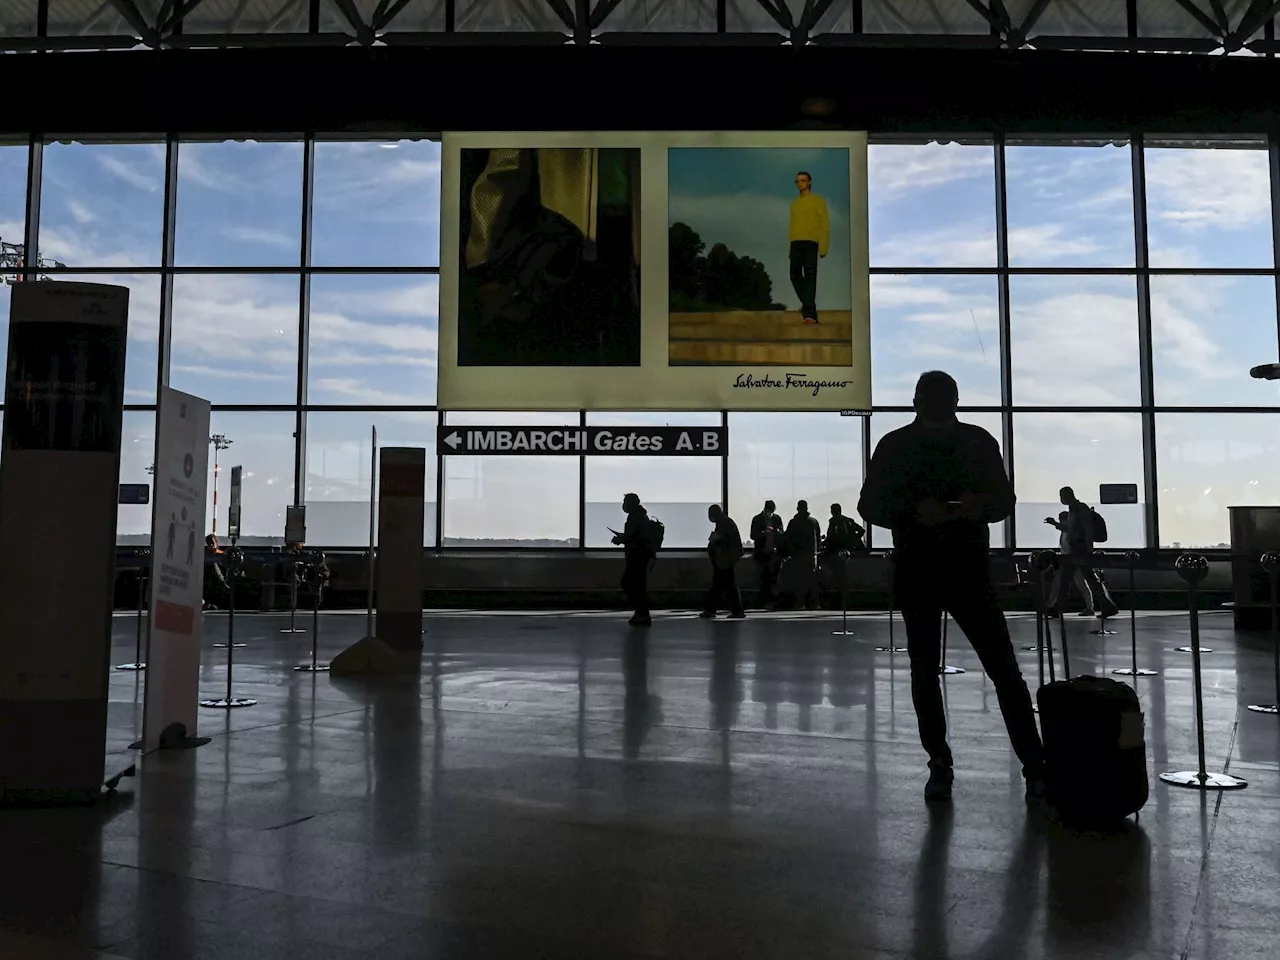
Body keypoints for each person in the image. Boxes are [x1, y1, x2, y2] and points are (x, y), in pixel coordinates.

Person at [858, 370, 1046, 805]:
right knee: (1003, 672)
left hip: (921, 568)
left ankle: (940, 765)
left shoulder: (895, 445)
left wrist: (912, 512)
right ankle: (1034, 765)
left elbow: (870, 505)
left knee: (926, 672)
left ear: (915, 401)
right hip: (966, 569)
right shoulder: (978, 442)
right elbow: (1004, 503)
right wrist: (975, 508)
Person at [1046, 487, 1116, 618]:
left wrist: (1089, 548)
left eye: (1062, 496)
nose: (1061, 499)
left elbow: (1086, 528)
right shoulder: (1073, 510)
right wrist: (1055, 524)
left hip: (1080, 549)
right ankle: (1107, 606)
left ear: (1068, 495)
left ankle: (1057, 608)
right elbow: (1072, 530)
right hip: (1076, 549)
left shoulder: (1080, 508)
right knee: (1080, 579)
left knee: (1072, 579)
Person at [788, 170, 830, 324]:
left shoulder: (818, 201)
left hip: (811, 242)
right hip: (795, 243)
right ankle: (808, 305)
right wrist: (789, 247)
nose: (800, 183)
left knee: (810, 277)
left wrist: (824, 246)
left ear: (809, 182)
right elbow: (792, 226)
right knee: (794, 276)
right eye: (797, 181)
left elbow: (825, 224)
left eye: (803, 180)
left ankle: (810, 315)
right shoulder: (794, 204)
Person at [612, 492, 653, 627]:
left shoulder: (636, 517)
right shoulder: (639, 516)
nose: (624, 506)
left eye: (625, 503)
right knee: (638, 585)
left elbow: (636, 538)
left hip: (637, 557)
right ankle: (641, 613)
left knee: (629, 583)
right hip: (638, 556)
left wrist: (622, 539)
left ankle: (642, 612)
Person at [701, 504, 746, 620]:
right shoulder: (726, 522)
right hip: (725, 559)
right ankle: (713, 609)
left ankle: (733, 610)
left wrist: (716, 539)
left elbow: (725, 540)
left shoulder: (724, 524)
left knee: (725, 585)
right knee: (722, 585)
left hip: (724, 559)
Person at [782, 499, 822, 610]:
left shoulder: (793, 522)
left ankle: (800, 603)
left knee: (799, 580)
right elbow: (818, 539)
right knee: (812, 579)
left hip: (797, 555)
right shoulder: (813, 522)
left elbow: (787, 538)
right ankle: (815, 603)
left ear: (797, 508)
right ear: (807, 508)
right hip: (811, 555)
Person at [750, 500, 783, 607]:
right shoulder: (757, 519)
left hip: (773, 552)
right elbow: (753, 535)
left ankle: (771, 600)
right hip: (763, 552)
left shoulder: (776, 519)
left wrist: (776, 532)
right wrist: (764, 533)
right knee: (765, 577)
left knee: (773, 577)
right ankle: (767, 600)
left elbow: (782, 533)